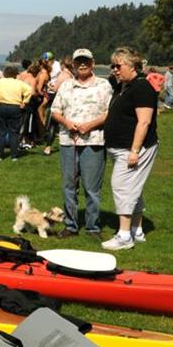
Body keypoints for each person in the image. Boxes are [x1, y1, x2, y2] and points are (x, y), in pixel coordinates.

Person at [101, 47, 158, 251]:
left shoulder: (142, 88)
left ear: (132, 66)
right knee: (134, 188)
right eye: (112, 66)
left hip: (133, 148)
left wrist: (134, 151)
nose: (114, 70)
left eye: (118, 65)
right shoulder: (123, 86)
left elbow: (144, 122)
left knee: (121, 186)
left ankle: (124, 236)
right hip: (120, 147)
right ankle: (137, 229)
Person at [51, 49, 112, 236]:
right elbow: (55, 111)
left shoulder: (104, 85)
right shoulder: (66, 85)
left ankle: (92, 227)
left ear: (92, 63)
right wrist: (67, 123)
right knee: (69, 186)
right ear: (74, 64)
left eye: (86, 61)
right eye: (79, 61)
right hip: (68, 142)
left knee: (92, 187)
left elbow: (109, 113)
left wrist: (90, 126)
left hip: (94, 141)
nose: (82, 64)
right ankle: (71, 225)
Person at [0, 65, 32, 161]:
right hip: (16, 107)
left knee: (0, 132)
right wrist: (25, 101)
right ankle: (14, 155)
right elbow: (29, 90)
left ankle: (0, 154)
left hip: (2, 106)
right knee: (14, 132)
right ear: (15, 74)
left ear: (4, 73)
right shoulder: (19, 83)